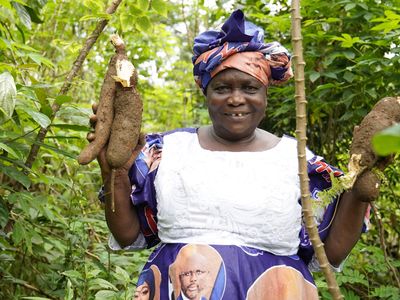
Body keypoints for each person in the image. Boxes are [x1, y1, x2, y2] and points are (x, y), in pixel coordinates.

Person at [91, 9, 381, 299]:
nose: (236, 98)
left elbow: (330, 252)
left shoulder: (297, 159)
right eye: (222, 88)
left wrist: (360, 189)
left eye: (249, 87)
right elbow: (128, 234)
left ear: (265, 94)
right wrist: (113, 171)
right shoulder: (166, 152)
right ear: (205, 92)